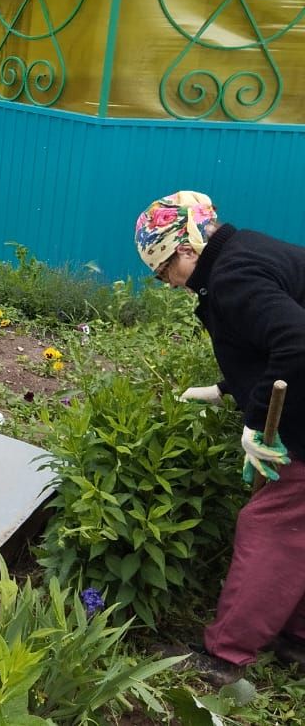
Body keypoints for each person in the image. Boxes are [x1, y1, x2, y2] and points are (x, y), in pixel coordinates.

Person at [135, 190, 305, 683]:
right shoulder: (245, 251)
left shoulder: (232, 275)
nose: (168, 283)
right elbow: (266, 339)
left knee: (272, 527)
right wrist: (227, 389)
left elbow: (296, 341)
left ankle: (226, 658)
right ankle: (297, 640)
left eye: (165, 270)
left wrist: (256, 421)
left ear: (186, 248)